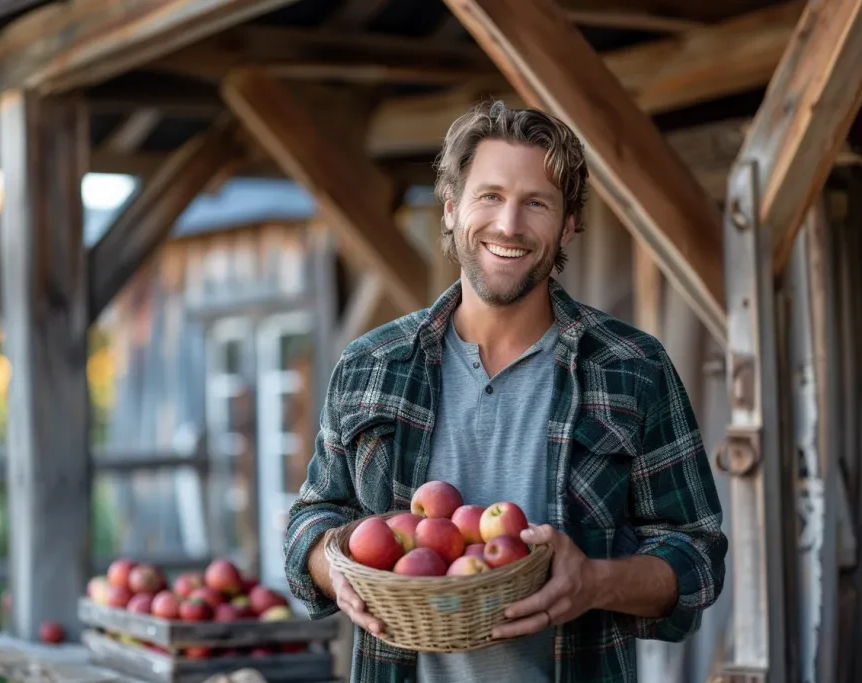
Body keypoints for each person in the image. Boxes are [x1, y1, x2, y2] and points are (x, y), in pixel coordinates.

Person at [282, 100, 728, 683]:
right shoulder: (371, 364)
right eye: (489, 196)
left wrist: (595, 583)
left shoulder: (633, 367)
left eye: (536, 203)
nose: (509, 225)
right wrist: (332, 566)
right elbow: (312, 516)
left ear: (569, 223)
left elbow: (698, 555)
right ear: (450, 209)